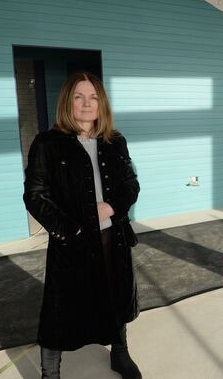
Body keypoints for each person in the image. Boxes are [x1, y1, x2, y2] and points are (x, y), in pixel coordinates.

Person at [24, 72, 142, 379]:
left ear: (101, 103)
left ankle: (120, 353)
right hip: (71, 243)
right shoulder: (47, 144)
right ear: (68, 101)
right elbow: (35, 196)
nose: (87, 104)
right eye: (79, 96)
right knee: (59, 312)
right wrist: (72, 228)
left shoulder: (115, 142)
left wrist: (112, 207)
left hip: (111, 238)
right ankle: (50, 373)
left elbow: (131, 185)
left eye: (93, 97)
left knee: (115, 297)